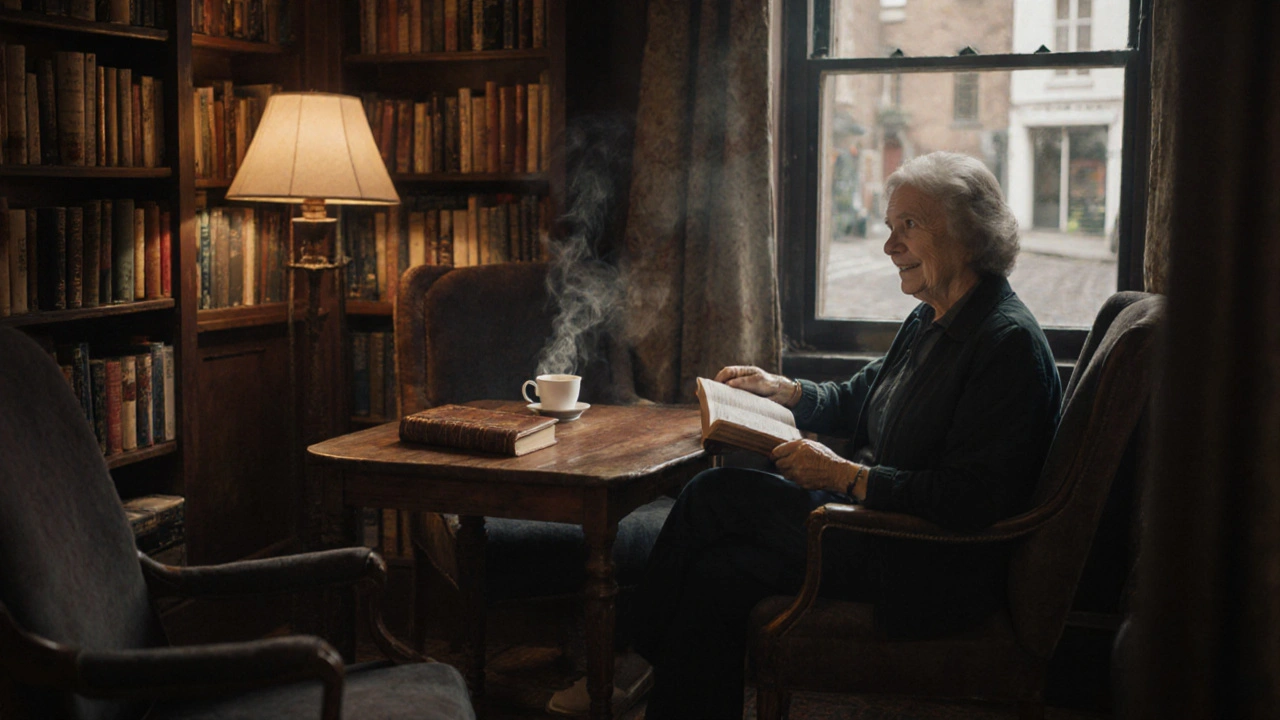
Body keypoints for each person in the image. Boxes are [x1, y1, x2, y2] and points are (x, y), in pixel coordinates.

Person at [630, 151, 1063, 719]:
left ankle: (631, 649)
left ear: (966, 232)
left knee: (713, 494)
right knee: (720, 576)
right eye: (890, 227)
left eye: (909, 226)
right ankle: (663, 683)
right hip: (871, 530)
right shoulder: (935, 314)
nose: (889, 246)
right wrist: (786, 390)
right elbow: (864, 396)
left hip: (921, 561)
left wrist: (846, 476)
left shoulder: (1006, 345)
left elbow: (970, 499)